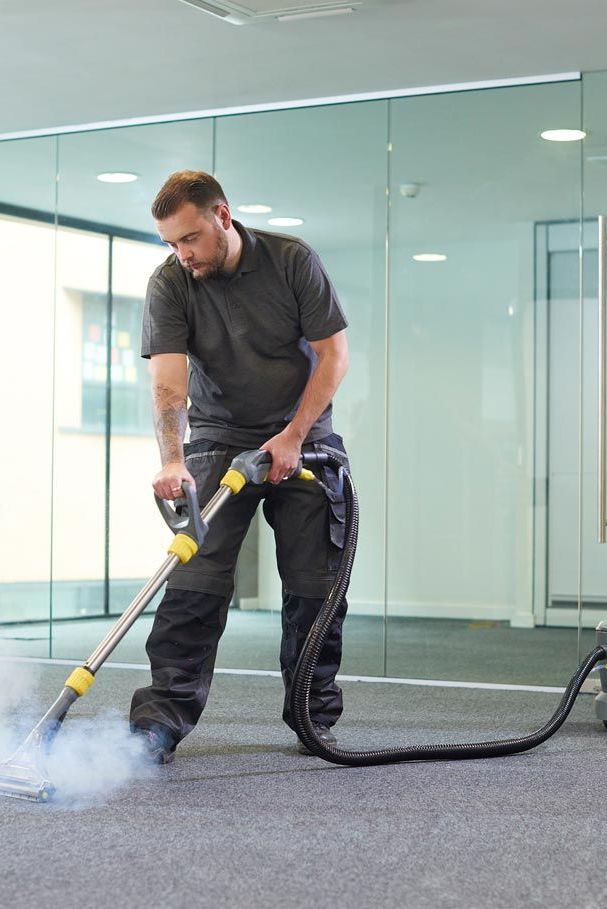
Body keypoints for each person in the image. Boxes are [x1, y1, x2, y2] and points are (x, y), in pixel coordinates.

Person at [129, 170, 351, 763]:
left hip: (303, 439)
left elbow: (334, 356)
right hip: (220, 437)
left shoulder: (291, 261)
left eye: (192, 238)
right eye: (171, 243)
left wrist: (292, 435)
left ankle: (311, 714)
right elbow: (169, 382)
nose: (184, 254)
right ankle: (160, 722)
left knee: (315, 588)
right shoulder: (171, 282)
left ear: (222, 216)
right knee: (193, 583)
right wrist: (173, 461)